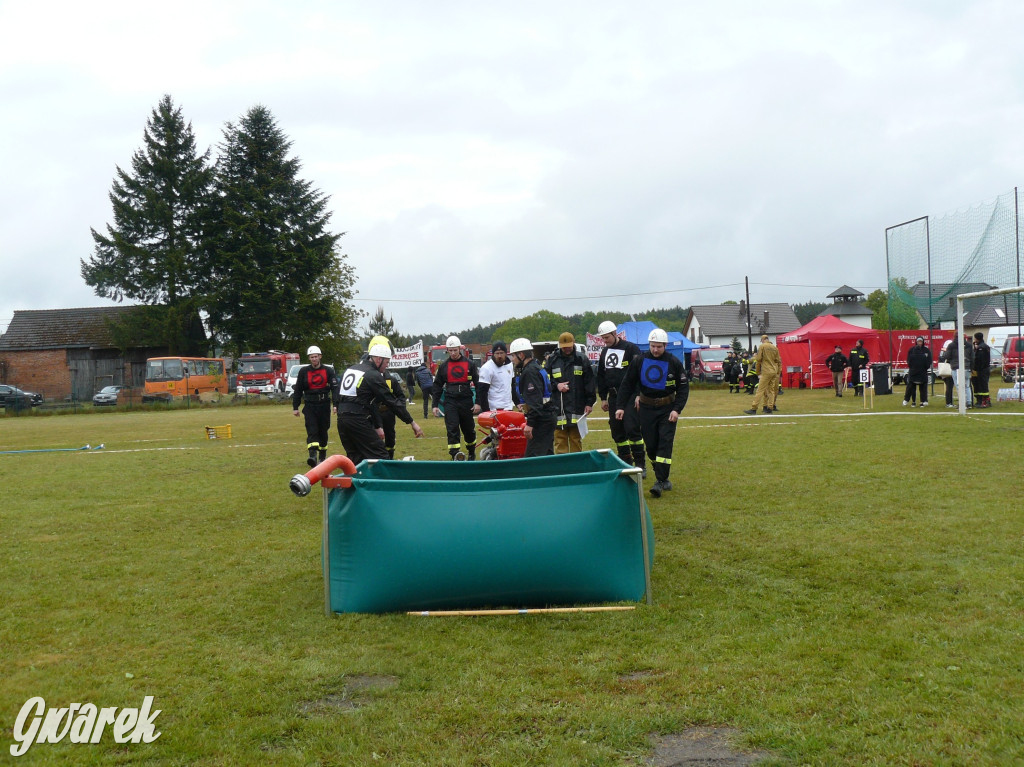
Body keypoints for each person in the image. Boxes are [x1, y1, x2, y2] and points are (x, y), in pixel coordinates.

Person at [616, 328, 689, 498]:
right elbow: (627, 384)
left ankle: (660, 480)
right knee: (651, 445)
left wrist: (676, 410)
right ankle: (661, 472)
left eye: (659, 346)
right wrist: (620, 406)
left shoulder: (674, 362)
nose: (655, 350)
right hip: (646, 409)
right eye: (652, 346)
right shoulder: (640, 361)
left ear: (665, 346)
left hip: (667, 409)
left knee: (664, 442)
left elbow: (683, 388)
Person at [336, 342, 423, 463]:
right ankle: (385, 482)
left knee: (356, 459)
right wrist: (412, 422)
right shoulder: (373, 374)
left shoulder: (351, 369)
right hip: (358, 419)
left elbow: (367, 401)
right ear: (378, 359)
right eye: (387, 362)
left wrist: (377, 426)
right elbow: (391, 401)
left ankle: (355, 482)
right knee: (380, 456)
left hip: (342, 420)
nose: (387, 366)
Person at [596, 320, 646, 474]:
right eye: (602, 338)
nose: (605, 341)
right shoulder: (604, 352)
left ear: (615, 334)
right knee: (617, 430)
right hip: (613, 396)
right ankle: (625, 462)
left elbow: (640, 372)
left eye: (607, 338)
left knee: (632, 428)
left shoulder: (631, 349)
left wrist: (638, 394)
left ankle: (640, 465)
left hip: (630, 395)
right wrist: (603, 397)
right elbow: (601, 376)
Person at [545, 332, 596, 454]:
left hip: (577, 407)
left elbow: (589, 383)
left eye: (569, 345)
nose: (567, 349)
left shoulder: (581, 359)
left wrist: (589, 403)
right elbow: (545, 381)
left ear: (573, 343)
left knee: (575, 440)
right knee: (559, 440)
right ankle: (562, 468)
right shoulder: (552, 360)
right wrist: (557, 385)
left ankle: (576, 466)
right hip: (558, 407)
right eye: (564, 346)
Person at [432, 335, 481, 459]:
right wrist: (435, 405)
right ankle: (455, 455)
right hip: (450, 401)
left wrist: (478, 403)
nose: (453, 353)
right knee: (452, 428)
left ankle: (471, 452)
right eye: (450, 350)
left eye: (455, 350)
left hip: (466, 400)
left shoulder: (470, 364)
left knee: (469, 429)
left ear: (460, 349)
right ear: (447, 350)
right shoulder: (443, 367)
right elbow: (437, 386)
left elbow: (478, 384)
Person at [291, 345, 339, 468]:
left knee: (323, 430)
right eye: (311, 357)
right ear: (309, 358)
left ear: (320, 357)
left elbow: (334, 389)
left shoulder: (328, 371)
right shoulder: (304, 372)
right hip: (310, 405)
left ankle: (322, 456)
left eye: (316, 357)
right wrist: (295, 407)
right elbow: (298, 390)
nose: (314, 359)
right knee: (312, 429)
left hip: (324, 404)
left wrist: (336, 404)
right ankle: (312, 456)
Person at [509, 337, 555, 456]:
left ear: (521, 355)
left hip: (541, 419)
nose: (512, 360)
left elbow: (535, 401)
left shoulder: (530, 372)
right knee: (547, 455)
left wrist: (530, 424)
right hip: (547, 415)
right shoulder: (535, 367)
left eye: (513, 356)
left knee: (533, 457)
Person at [744, 334, 781, 415]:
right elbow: (778, 360)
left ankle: (754, 408)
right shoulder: (775, 348)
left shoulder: (762, 346)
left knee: (760, 390)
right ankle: (770, 408)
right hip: (774, 371)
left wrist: (758, 373)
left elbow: (758, 360)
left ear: (763, 340)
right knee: (771, 390)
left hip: (766, 371)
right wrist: (778, 372)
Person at [476, 341, 516, 412]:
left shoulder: (510, 365)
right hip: (494, 409)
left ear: (506, 354)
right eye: (497, 353)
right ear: (493, 354)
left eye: (501, 353)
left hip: (508, 407)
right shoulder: (487, 368)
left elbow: (512, 385)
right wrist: (486, 411)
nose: (499, 356)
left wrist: (517, 402)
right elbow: (482, 392)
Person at [943, 334, 974, 408]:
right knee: (967, 385)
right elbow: (972, 357)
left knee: (959, 386)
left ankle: (962, 402)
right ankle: (969, 402)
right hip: (967, 367)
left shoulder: (951, 345)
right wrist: (971, 368)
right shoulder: (969, 345)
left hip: (956, 367)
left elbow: (947, 356)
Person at [903, 336, 932, 407]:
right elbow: (909, 361)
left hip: (923, 372)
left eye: (921, 341)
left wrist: (925, 367)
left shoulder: (926, 350)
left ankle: (924, 400)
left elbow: (929, 361)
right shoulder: (911, 350)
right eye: (918, 341)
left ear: (923, 342)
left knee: (923, 387)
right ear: (916, 341)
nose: (919, 343)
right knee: (910, 387)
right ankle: (908, 400)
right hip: (913, 372)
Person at [973, 331, 992, 408]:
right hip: (985, 369)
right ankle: (981, 401)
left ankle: (985, 401)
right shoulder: (985, 346)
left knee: (982, 385)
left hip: (981, 370)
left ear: (977, 338)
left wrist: (977, 369)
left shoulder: (981, 348)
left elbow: (980, 360)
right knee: (981, 385)